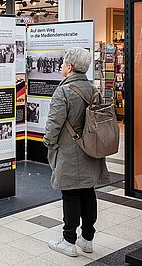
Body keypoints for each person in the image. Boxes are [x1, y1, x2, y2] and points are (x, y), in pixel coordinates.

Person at [44, 47, 110, 257]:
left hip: (70, 151)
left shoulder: (63, 91)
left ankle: (68, 240)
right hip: (91, 149)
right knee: (88, 192)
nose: (62, 66)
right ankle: (87, 239)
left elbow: (54, 123)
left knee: (70, 193)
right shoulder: (93, 89)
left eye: (63, 63)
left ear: (70, 67)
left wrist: (48, 142)